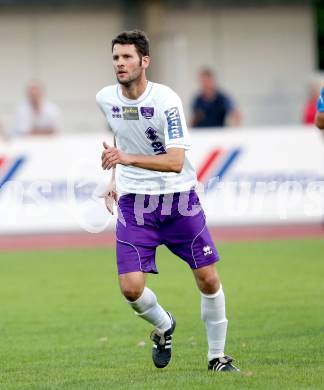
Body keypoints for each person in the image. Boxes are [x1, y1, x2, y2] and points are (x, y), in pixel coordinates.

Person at [96, 30, 239, 372]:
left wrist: (125, 159)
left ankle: (216, 357)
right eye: (116, 57)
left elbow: (175, 162)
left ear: (145, 61)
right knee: (131, 289)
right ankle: (164, 326)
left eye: (127, 57)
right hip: (135, 204)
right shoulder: (105, 98)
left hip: (178, 202)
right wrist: (115, 178)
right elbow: (122, 135)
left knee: (207, 278)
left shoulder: (167, 101)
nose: (120, 63)